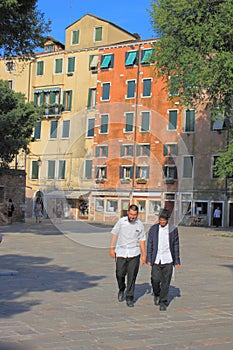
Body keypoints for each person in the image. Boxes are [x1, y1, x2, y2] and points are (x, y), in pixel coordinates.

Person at [109, 204, 146, 307]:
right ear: (128, 213)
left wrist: (144, 255)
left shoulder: (140, 224)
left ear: (137, 214)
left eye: (134, 215)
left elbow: (142, 240)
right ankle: (121, 288)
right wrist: (112, 248)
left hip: (134, 253)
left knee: (132, 276)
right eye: (131, 214)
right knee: (119, 273)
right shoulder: (121, 222)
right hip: (121, 252)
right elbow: (114, 234)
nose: (132, 217)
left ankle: (130, 297)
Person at [146, 208, 181, 311]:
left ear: (167, 220)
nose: (162, 222)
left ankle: (163, 302)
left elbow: (176, 245)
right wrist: (149, 258)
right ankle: (157, 293)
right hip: (156, 259)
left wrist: (177, 260)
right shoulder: (153, 229)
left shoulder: (173, 229)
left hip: (168, 259)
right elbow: (150, 244)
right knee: (155, 279)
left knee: (166, 282)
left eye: (164, 220)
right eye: (160, 220)